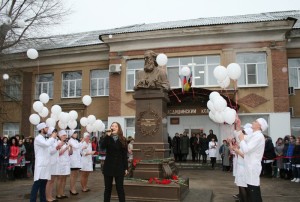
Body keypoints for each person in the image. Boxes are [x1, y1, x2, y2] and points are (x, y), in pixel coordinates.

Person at [237, 117, 268, 202]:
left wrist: (242, 140)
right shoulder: (254, 135)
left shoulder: (258, 136)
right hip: (249, 166)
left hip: (253, 167)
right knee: (251, 190)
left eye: (255, 121)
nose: (252, 122)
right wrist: (238, 125)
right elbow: (240, 136)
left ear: (259, 125)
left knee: (253, 190)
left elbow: (246, 149)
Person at [101, 122, 128, 202]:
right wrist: (107, 136)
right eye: (112, 126)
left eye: (116, 126)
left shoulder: (123, 139)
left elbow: (124, 155)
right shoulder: (107, 138)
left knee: (120, 188)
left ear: (119, 128)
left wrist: (125, 167)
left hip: (119, 167)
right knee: (107, 189)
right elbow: (102, 147)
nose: (114, 127)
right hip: (108, 167)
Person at [30, 122, 57, 202]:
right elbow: (46, 144)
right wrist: (52, 137)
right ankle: (32, 200)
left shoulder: (45, 138)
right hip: (41, 165)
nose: (47, 129)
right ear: (42, 129)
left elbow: (50, 151)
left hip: (46, 164)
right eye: (46, 128)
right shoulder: (38, 138)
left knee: (43, 185)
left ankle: (43, 200)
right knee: (37, 184)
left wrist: (56, 148)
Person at [46, 127, 61, 202]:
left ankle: (50, 196)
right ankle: (48, 197)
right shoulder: (49, 140)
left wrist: (58, 147)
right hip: (51, 163)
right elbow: (50, 151)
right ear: (51, 133)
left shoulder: (55, 140)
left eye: (56, 132)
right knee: (50, 181)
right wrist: (57, 147)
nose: (56, 133)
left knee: (52, 181)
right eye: (54, 132)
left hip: (55, 162)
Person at [55, 130, 72, 199]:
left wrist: (71, 148)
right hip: (60, 163)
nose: (65, 136)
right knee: (60, 178)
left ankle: (62, 193)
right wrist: (66, 148)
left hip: (66, 162)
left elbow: (70, 153)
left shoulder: (66, 143)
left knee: (64, 179)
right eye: (64, 135)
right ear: (60, 136)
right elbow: (58, 153)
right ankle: (58, 194)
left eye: (65, 135)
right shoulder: (58, 143)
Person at [68, 130, 83, 195]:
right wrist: (82, 141)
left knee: (76, 174)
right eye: (74, 133)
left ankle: (73, 188)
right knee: (73, 175)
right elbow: (76, 146)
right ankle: (72, 189)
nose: (76, 134)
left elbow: (79, 148)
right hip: (73, 160)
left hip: (77, 160)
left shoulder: (76, 141)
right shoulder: (70, 141)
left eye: (76, 133)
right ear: (71, 134)